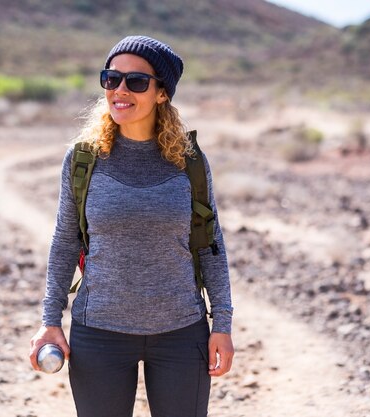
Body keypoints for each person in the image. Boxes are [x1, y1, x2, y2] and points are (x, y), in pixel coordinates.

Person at [29, 35, 234, 417]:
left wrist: (222, 323)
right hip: (99, 334)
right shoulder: (83, 160)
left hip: (181, 332)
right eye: (111, 78)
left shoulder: (188, 162)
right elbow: (64, 243)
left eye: (136, 82)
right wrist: (50, 321)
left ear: (161, 94)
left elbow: (210, 245)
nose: (120, 90)